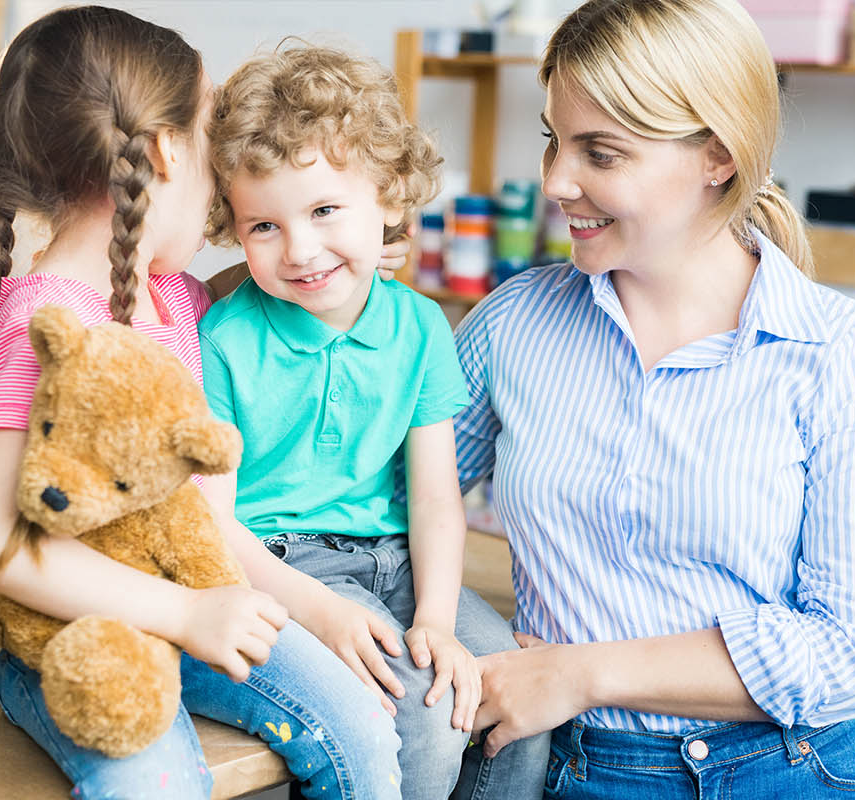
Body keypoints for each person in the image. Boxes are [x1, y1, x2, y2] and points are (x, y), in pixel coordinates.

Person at [453, 1, 855, 797]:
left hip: (798, 769)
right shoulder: (513, 325)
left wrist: (582, 673)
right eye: (553, 139)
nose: (556, 181)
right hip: (585, 771)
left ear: (717, 157)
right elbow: (372, 507)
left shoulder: (835, 351)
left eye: (601, 152)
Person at [0, 8, 407, 799]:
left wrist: (337, 267)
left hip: (192, 593)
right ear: (167, 150)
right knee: (152, 780)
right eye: (211, 137)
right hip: (69, 624)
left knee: (364, 731)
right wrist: (187, 616)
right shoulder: (43, 324)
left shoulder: (170, 295)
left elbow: (235, 301)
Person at [193, 45, 550, 799]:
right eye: (264, 226)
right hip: (281, 565)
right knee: (420, 712)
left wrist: (438, 620)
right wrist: (317, 609)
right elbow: (212, 526)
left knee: (509, 689)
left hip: (398, 562)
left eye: (324, 210)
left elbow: (436, 500)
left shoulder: (421, 327)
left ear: (388, 197)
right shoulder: (224, 339)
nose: (300, 250)